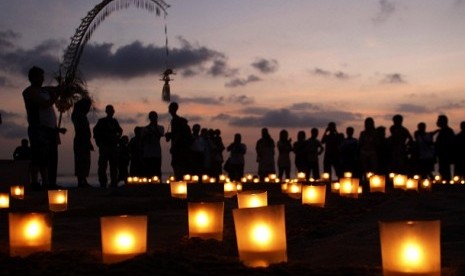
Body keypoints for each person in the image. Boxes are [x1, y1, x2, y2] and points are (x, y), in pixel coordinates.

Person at [22, 66, 66, 190]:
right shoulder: (29, 92)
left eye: (43, 76)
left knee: (49, 157)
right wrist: (56, 95)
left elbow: (58, 89)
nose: (42, 79)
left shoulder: (44, 90)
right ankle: (35, 183)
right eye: (40, 76)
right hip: (38, 128)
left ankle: (48, 183)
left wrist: (62, 86)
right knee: (38, 156)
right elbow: (45, 104)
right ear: (32, 78)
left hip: (51, 129)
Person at [93, 104, 122, 188]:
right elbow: (95, 132)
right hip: (105, 146)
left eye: (112, 110)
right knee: (103, 166)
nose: (111, 112)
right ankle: (103, 183)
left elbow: (120, 130)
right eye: (109, 110)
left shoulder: (114, 121)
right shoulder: (101, 121)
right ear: (107, 111)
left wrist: (117, 138)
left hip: (113, 146)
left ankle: (113, 182)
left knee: (114, 166)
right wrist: (99, 142)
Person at [165, 102, 192, 180]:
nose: (169, 110)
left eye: (169, 108)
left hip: (178, 147)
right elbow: (176, 134)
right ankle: (180, 179)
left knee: (176, 164)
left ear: (173, 109)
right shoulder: (176, 120)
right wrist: (170, 135)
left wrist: (173, 146)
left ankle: (179, 180)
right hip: (180, 147)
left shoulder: (175, 120)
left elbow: (178, 135)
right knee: (178, 164)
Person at [71, 97, 93, 187]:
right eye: (87, 107)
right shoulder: (78, 115)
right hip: (81, 140)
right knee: (81, 160)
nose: (88, 109)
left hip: (83, 140)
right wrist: (87, 141)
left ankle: (83, 180)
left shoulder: (80, 115)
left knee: (85, 161)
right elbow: (81, 130)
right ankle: (81, 181)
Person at [141, 111, 165, 178]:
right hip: (147, 153)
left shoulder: (160, 127)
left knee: (157, 170)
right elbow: (142, 139)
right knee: (148, 171)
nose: (153, 118)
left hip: (156, 153)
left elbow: (160, 135)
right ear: (149, 118)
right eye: (152, 117)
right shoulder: (144, 129)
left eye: (154, 117)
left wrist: (154, 128)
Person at [435, 115, 455, 181]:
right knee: (443, 170)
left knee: (444, 170)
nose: (437, 122)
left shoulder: (447, 131)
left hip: (445, 154)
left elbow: (450, 144)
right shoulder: (444, 131)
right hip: (443, 154)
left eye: (439, 120)